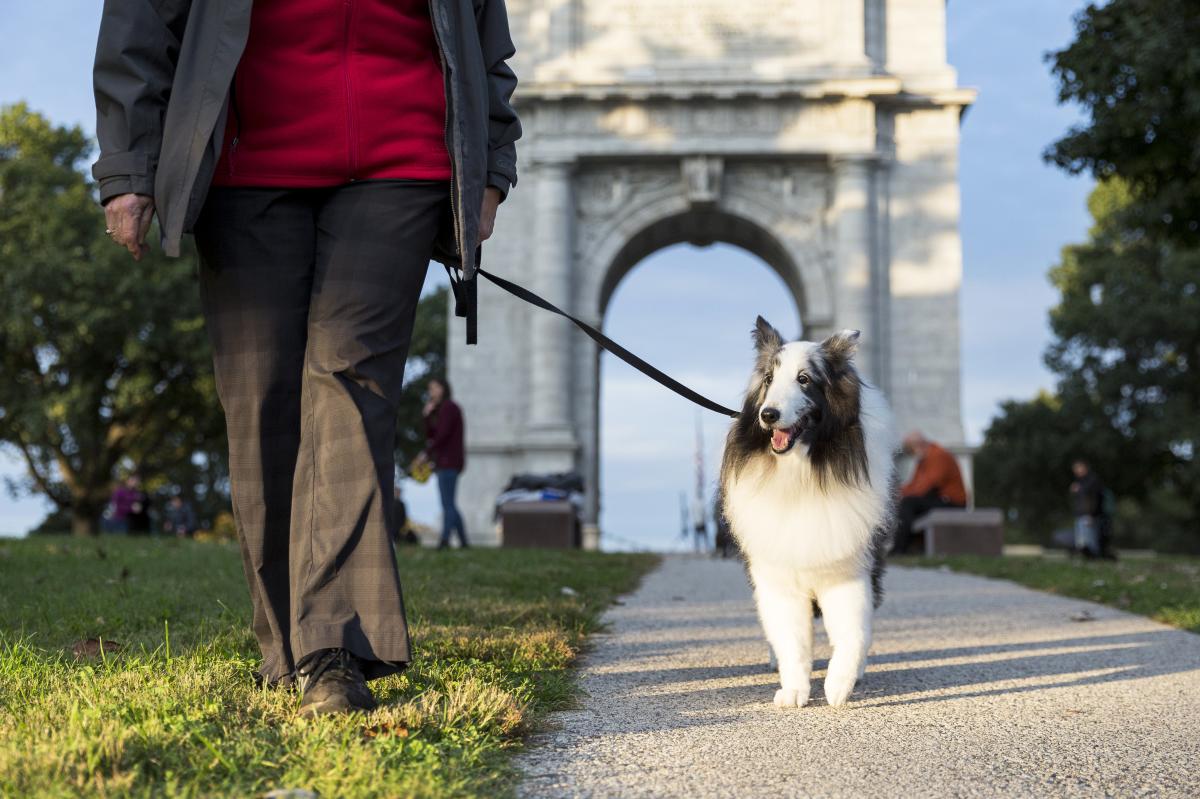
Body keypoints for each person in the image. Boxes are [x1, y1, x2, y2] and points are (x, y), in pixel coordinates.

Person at [94, 0, 521, 716]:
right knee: (262, 403)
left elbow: (486, 37)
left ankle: (334, 647)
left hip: (401, 159)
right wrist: (127, 164)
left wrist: (492, 164)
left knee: (350, 382)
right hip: (244, 160)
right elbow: (138, 22)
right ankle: (286, 645)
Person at [893, 432, 967, 554]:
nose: (912, 455)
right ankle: (911, 547)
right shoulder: (923, 460)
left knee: (908, 503)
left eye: (911, 451)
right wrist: (895, 494)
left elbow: (926, 487)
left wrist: (903, 496)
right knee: (907, 502)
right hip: (938, 500)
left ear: (918, 446)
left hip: (953, 503)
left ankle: (901, 548)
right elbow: (913, 484)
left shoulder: (938, 456)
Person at [419, 378, 468, 550]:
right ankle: (464, 542)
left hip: (449, 462)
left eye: (435, 387)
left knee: (447, 503)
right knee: (450, 504)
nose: (431, 392)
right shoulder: (442, 410)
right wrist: (426, 417)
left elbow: (442, 435)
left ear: (443, 389)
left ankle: (444, 540)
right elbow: (432, 434)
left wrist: (426, 453)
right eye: (430, 388)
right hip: (445, 462)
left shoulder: (449, 408)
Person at [1068, 459, 1105, 558]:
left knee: (1090, 541)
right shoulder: (1080, 482)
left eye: (1078, 468)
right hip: (1080, 514)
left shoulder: (1092, 481)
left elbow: (1095, 499)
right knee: (1081, 541)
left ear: (1084, 468)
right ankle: (1085, 559)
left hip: (1089, 515)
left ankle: (1094, 560)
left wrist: (1091, 514)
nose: (1076, 471)